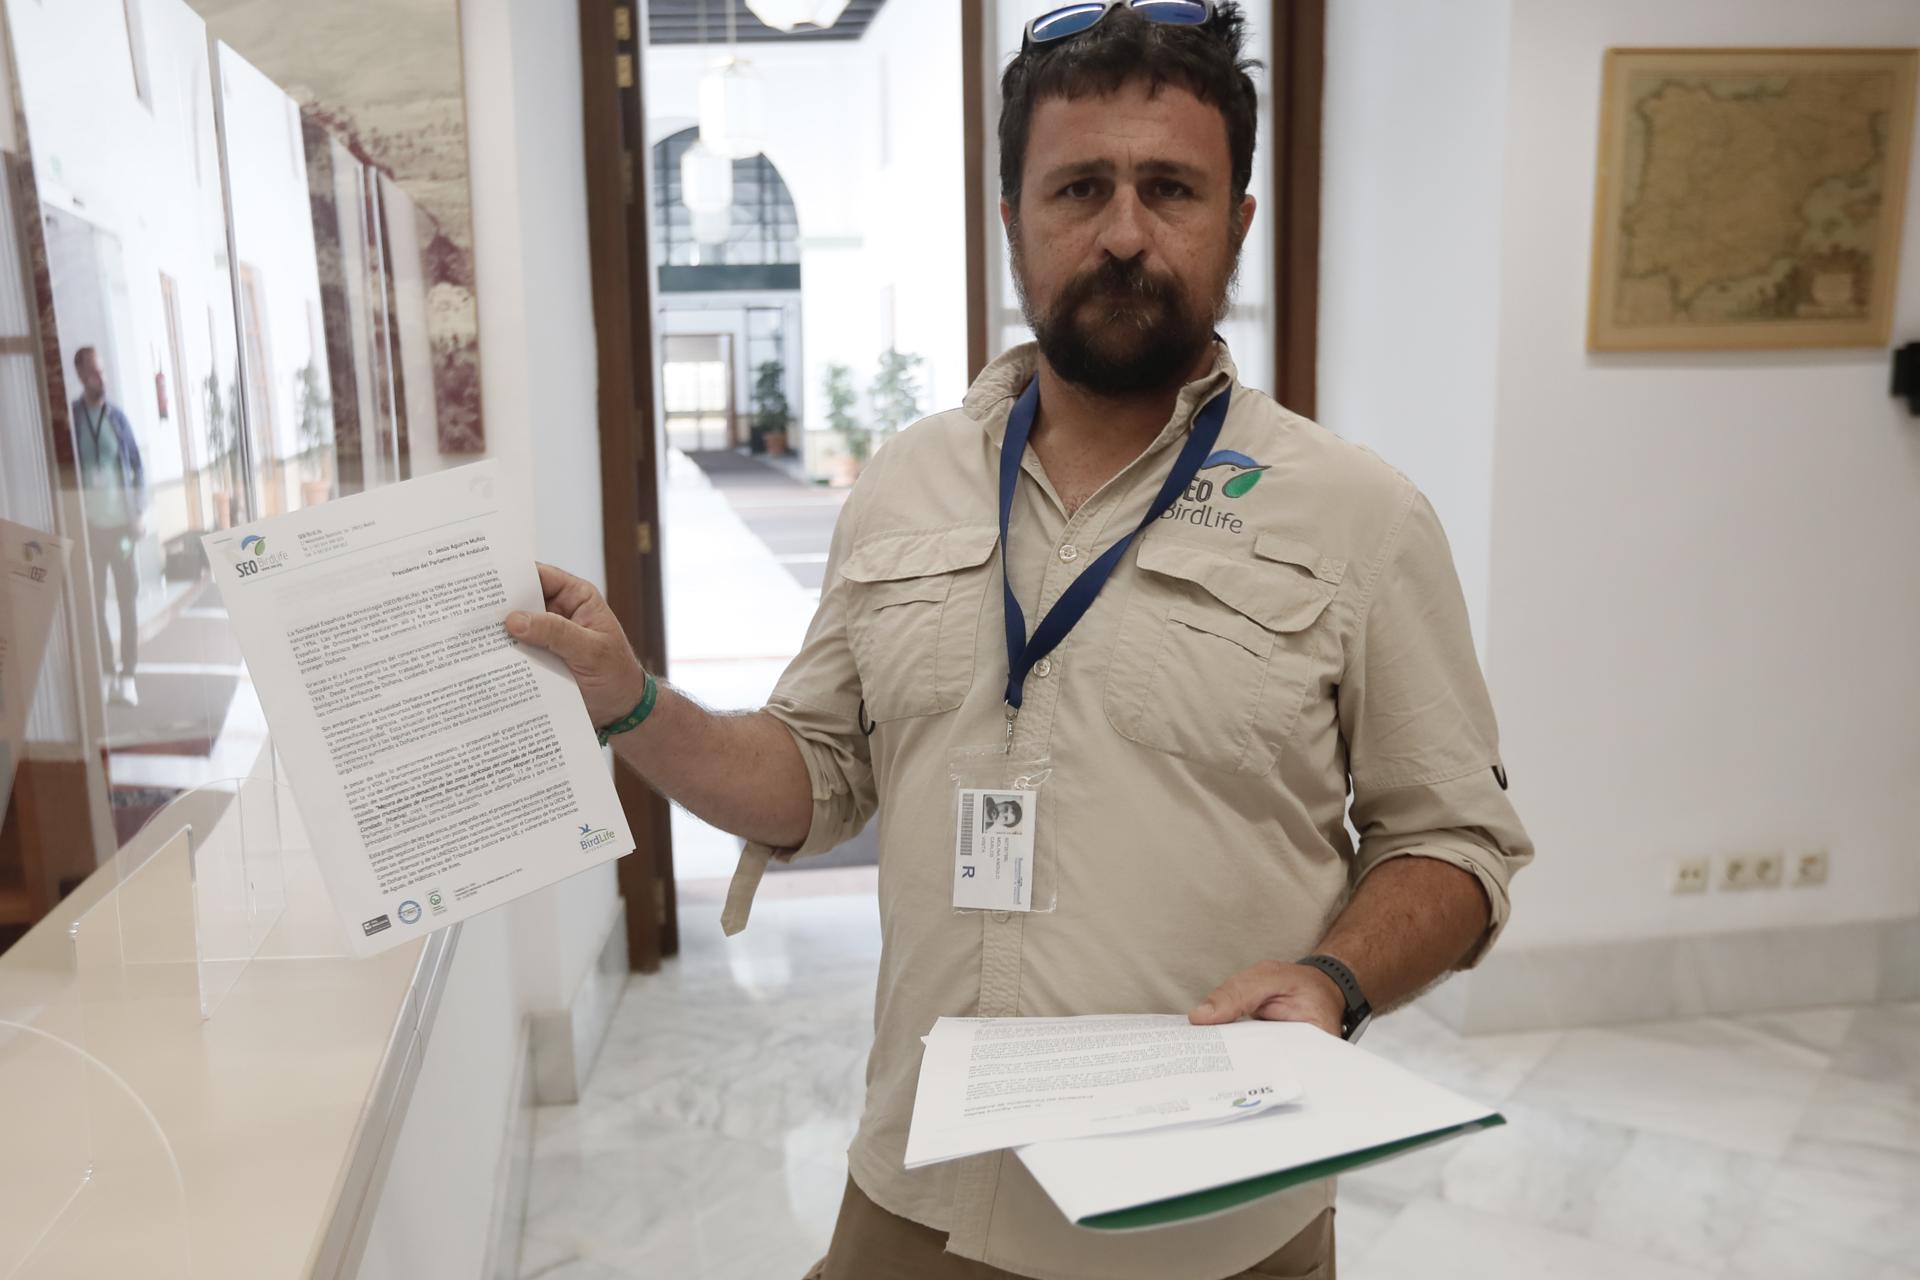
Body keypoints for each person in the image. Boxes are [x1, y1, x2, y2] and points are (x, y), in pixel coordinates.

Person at [511, 4, 1533, 1276]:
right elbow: (814, 776)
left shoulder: (1359, 515)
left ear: (1240, 223)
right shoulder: (905, 483)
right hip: (923, 1195)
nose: (1122, 231)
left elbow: (1454, 838)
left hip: (1211, 1215)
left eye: (1171, 188)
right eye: (1078, 187)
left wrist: (1335, 977)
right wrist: (629, 699)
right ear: (1011, 221)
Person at [71, 346, 146, 708]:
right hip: (90, 530)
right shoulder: (73, 420)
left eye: (102, 372)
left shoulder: (117, 419)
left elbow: (137, 466)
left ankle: (128, 676)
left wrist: (138, 514)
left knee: (127, 598)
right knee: (95, 602)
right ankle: (107, 670)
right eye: (94, 373)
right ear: (80, 375)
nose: (101, 378)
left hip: (121, 529)